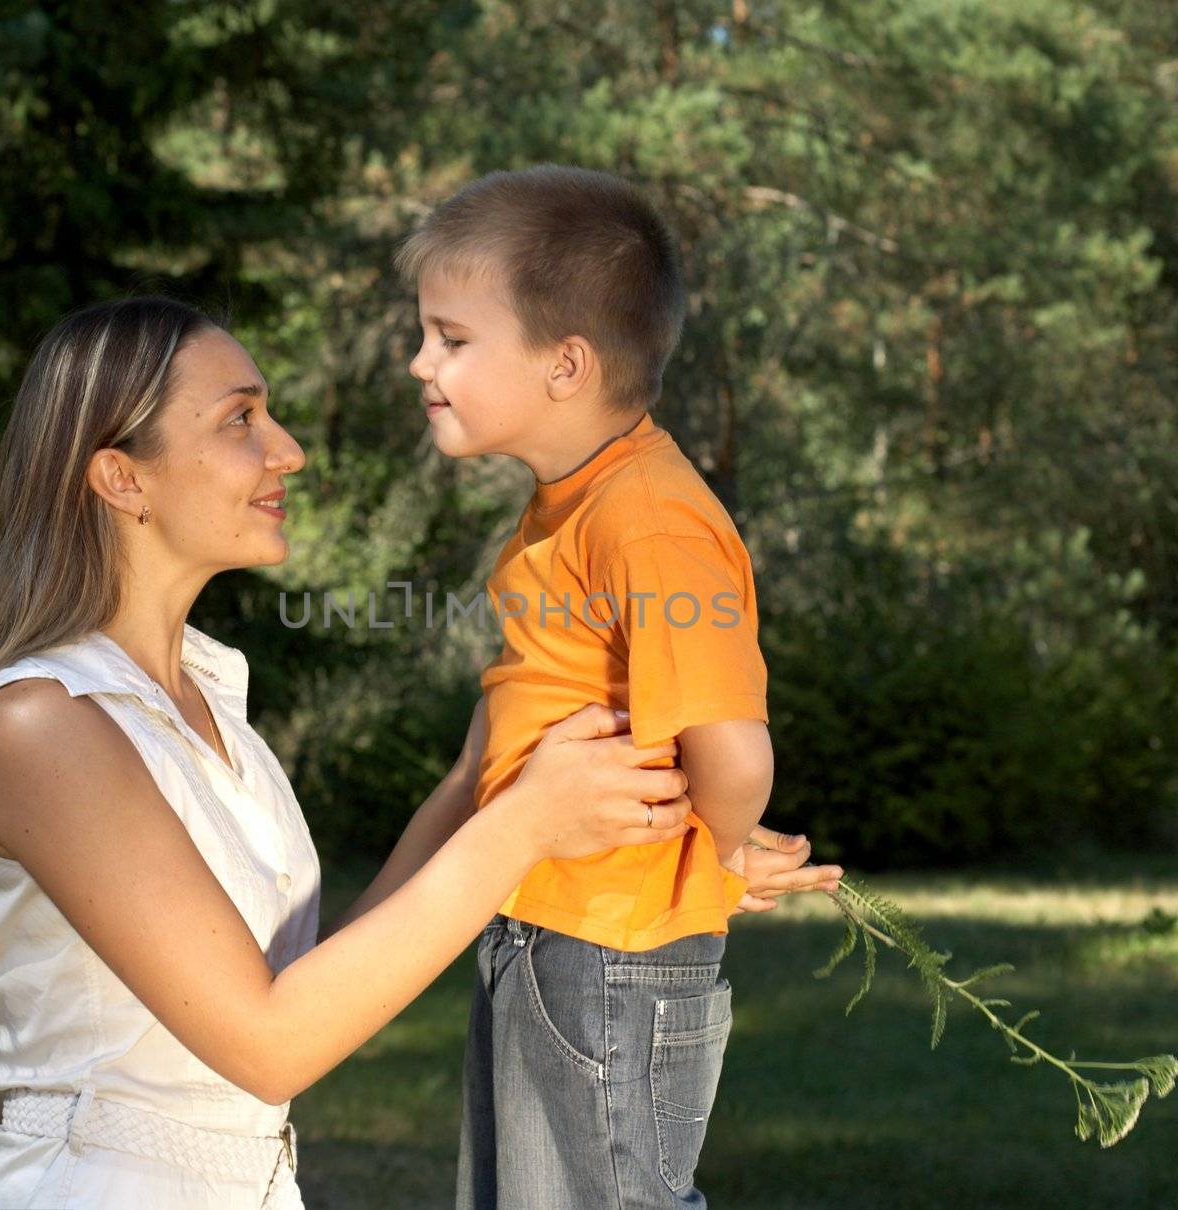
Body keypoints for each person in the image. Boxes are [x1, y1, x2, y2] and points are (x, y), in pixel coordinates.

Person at [0, 296, 708, 1209]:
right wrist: (520, 826)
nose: (288, 451)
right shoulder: (39, 724)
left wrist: (574, 804)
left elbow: (313, 986)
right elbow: (272, 1043)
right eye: (241, 419)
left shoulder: (205, 710)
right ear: (122, 478)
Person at [397, 165, 845, 1208]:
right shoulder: (572, 504)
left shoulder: (647, 517)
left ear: (565, 364)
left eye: (451, 338)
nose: (420, 360)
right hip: (547, 927)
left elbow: (733, 753)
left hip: (610, 950)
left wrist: (720, 854)